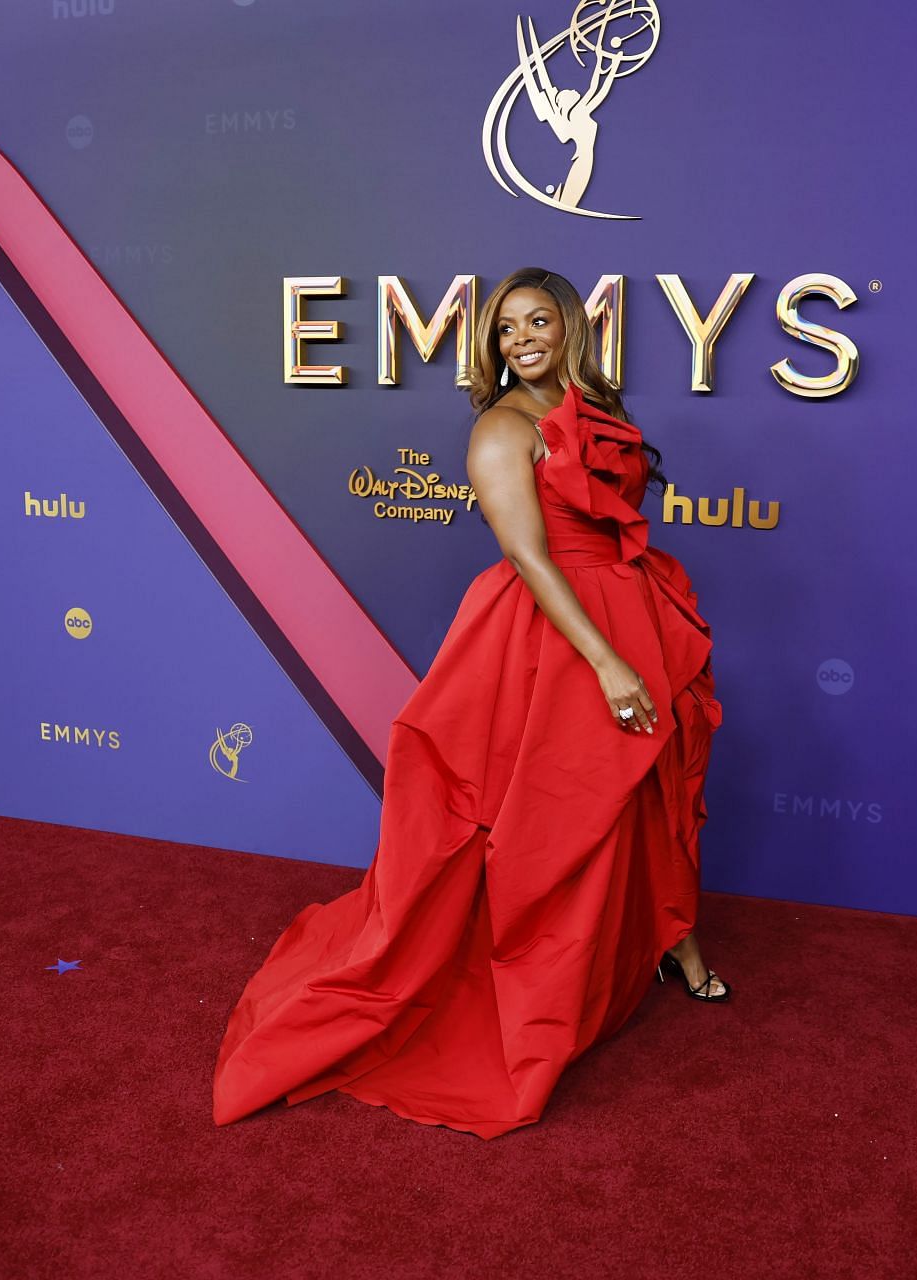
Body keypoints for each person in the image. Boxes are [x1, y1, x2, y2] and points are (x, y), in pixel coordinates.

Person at [212, 267, 726, 1140]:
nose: (519, 339)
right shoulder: (500, 427)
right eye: (503, 328)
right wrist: (606, 662)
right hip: (561, 637)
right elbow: (530, 556)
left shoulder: (599, 412)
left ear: (569, 328)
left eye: (537, 321)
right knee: (567, 807)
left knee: (653, 781)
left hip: (626, 612)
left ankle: (674, 943)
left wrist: (629, 640)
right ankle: (550, 970)